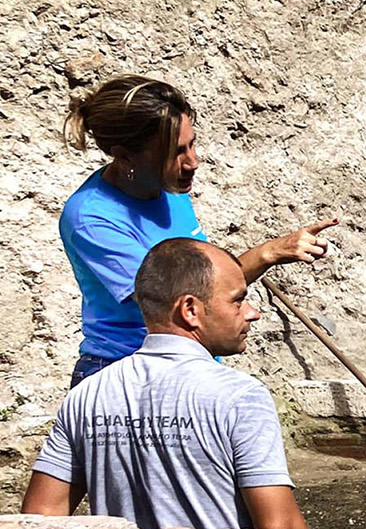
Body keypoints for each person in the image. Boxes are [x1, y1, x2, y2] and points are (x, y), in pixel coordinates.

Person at [23, 238, 320, 529]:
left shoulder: (86, 395)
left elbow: (40, 519)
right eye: (238, 301)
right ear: (190, 310)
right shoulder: (239, 396)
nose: (252, 313)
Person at [59, 74, 337, 385]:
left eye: (192, 144)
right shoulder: (92, 218)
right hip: (126, 376)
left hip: (187, 366)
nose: (193, 161)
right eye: (176, 152)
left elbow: (201, 283)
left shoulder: (168, 187)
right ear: (125, 156)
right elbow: (178, 302)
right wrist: (267, 253)